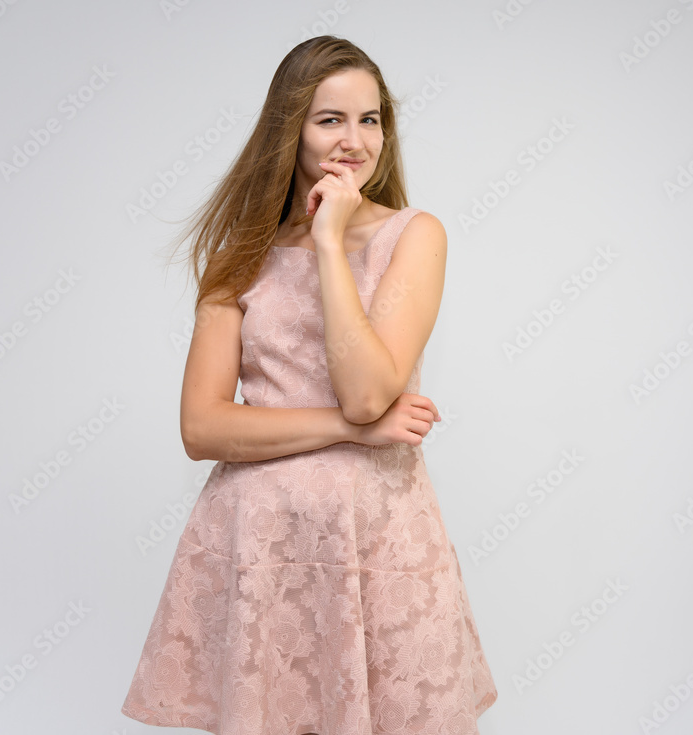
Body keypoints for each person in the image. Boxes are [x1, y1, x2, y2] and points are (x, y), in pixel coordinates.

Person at [120, 35, 498, 734]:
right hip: (259, 544)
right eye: (330, 119)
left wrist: (329, 240)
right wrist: (350, 430)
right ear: (288, 127)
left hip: (377, 544)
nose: (355, 140)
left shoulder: (414, 235)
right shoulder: (240, 257)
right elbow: (202, 428)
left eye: (371, 119)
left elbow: (367, 389)